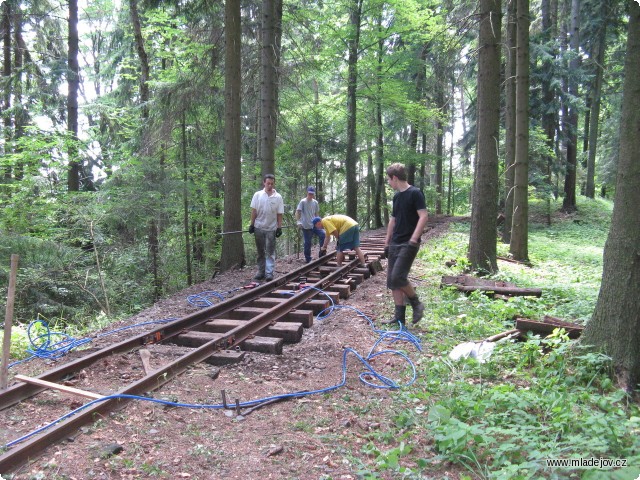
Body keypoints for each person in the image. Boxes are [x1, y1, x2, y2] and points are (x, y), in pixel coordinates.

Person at [383, 163, 428, 326]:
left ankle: (416, 303)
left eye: (389, 179)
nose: (389, 183)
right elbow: (393, 220)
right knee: (393, 281)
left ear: (395, 178)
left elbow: (423, 216)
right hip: (395, 242)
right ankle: (399, 317)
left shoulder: (415, 193)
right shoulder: (396, 197)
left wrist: (413, 240)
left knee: (398, 277)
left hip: (409, 243)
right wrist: (387, 242)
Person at [248, 173, 284, 282]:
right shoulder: (257, 195)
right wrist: (252, 224)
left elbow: (279, 213)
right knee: (260, 251)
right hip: (259, 227)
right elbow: (254, 211)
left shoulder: (278, 197)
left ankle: (269, 273)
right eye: (268, 183)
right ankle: (260, 271)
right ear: (264, 183)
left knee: (270, 251)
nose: (270, 185)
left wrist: (279, 227)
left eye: (272, 184)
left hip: (271, 228)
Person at [296, 186, 326, 263]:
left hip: (315, 225)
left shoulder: (315, 202)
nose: (310, 195)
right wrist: (298, 221)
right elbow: (298, 212)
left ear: (314, 194)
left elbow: (316, 214)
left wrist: (320, 223)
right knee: (308, 242)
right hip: (306, 226)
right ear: (307, 193)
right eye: (309, 193)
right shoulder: (303, 202)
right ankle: (308, 258)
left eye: (312, 194)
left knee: (323, 234)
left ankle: (322, 254)